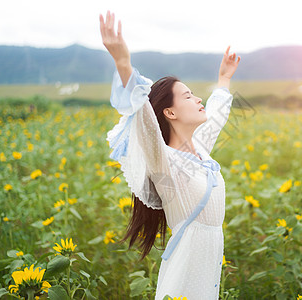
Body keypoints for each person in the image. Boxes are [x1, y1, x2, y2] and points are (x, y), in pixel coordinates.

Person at [99, 10, 240, 299]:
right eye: (188, 96)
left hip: (208, 267)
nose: (198, 98)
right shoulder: (164, 162)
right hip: (186, 271)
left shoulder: (198, 150)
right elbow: (145, 123)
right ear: (169, 112)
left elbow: (216, 116)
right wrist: (123, 63)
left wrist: (223, 78)